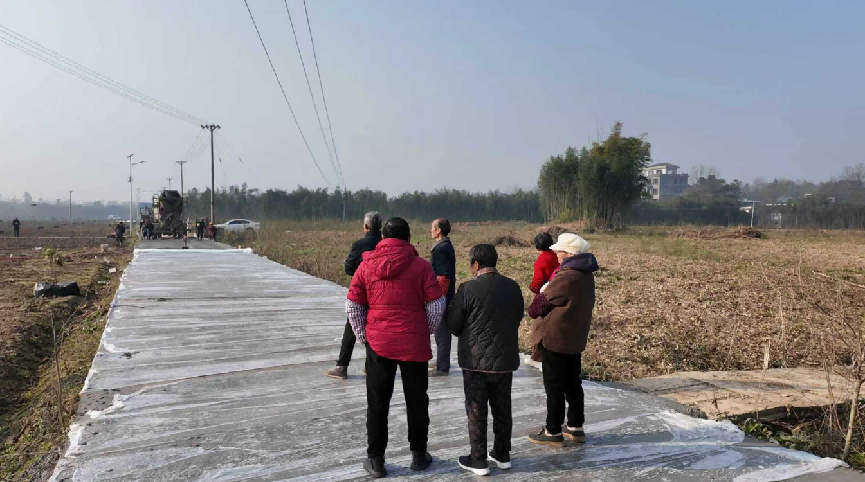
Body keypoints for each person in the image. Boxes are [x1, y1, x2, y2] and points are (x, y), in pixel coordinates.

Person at [346, 217, 445, 478]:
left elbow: (353, 305)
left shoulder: (366, 266)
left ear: (382, 238)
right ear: (408, 238)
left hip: (379, 344)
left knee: (377, 403)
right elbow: (436, 305)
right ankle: (419, 455)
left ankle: (376, 460)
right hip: (413, 343)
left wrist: (364, 337)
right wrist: (424, 330)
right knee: (417, 400)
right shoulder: (422, 267)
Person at [447, 244, 524, 475]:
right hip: (504, 360)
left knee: (476, 410)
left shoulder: (467, 289)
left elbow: (453, 323)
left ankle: (478, 459)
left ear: (476, 264)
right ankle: (502, 454)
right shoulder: (512, 287)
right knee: (503, 408)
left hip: (475, 362)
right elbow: (517, 316)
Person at [527, 233, 598, 447]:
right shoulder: (586, 274)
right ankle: (575, 426)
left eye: (559, 251)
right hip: (575, 337)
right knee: (573, 383)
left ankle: (553, 431)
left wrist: (539, 298)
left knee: (554, 386)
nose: (556, 255)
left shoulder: (566, 276)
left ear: (569, 254)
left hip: (556, 338)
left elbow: (538, 307)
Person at [326, 211, 383, 380]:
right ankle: (370, 365)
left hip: (362, 292)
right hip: (381, 294)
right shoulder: (385, 243)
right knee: (376, 328)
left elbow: (349, 269)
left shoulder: (359, 244)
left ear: (366, 226)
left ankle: (342, 367)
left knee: (351, 328)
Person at [429, 218, 456, 376]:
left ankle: (442, 367)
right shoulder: (444, 246)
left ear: (439, 230)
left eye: (433, 228)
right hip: (445, 294)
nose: (431, 231)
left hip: (443, 295)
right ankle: (441, 360)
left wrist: (438, 298)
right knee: (441, 331)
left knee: (442, 332)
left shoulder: (441, 249)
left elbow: (443, 277)